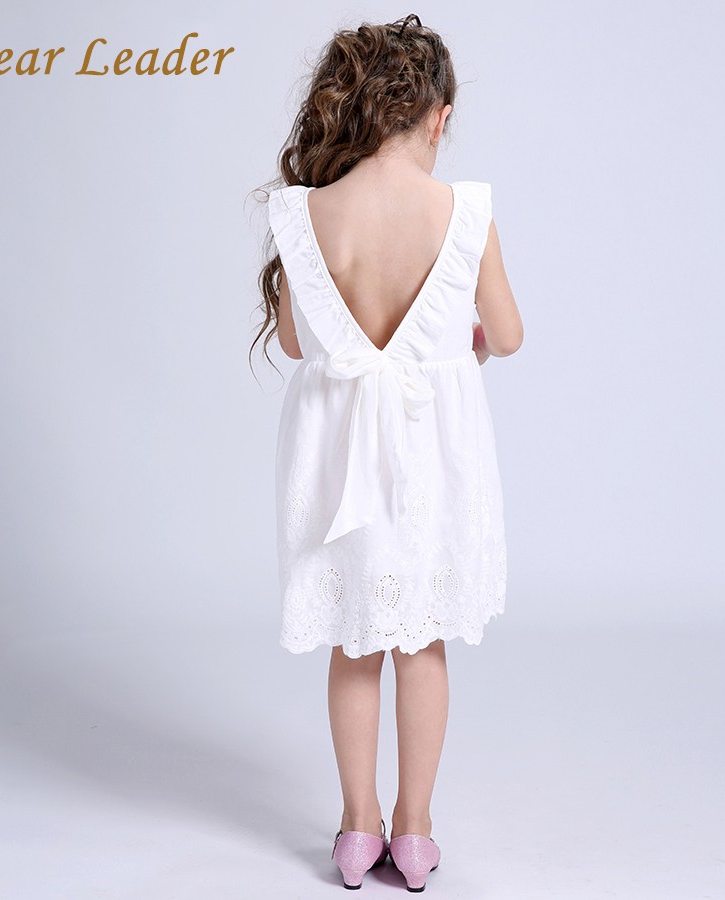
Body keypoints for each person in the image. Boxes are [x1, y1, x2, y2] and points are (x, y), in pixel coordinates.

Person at [252, 13, 523, 892]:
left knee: (354, 642)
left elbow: (297, 343)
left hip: (337, 463)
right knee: (422, 640)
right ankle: (414, 831)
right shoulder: (464, 212)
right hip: (431, 456)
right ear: (438, 117)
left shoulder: (307, 213)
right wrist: (461, 342)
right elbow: (508, 335)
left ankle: (355, 827)